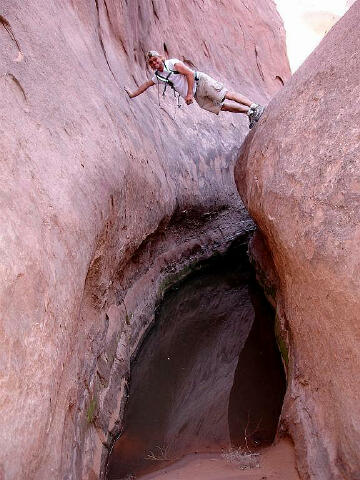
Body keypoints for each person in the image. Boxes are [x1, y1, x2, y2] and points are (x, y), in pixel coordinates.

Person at [124, 50, 265, 129]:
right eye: (152, 63)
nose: (155, 63)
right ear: (151, 65)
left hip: (200, 82)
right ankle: (249, 112)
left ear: (161, 58)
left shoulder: (173, 64)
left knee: (224, 94)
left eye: (156, 60)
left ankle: (255, 106)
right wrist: (132, 94)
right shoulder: (158, 76)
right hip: (196, 95)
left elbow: (189, 74)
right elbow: (146, 85)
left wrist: (189, 94)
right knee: (220, 107)